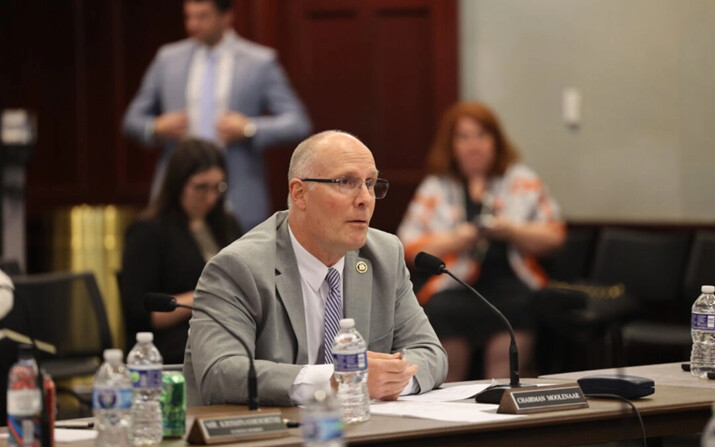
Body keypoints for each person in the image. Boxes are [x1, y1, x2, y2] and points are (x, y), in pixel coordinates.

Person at [183, 130, 447, 406]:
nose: (365, 199)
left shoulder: (384, 254)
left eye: (370, 183)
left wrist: (387, 381)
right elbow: (219, 373)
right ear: (299, 194)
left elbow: (430, 352)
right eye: (346, 182)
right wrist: (337, 381)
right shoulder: (238, 267)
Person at [397, 102, 566, 382]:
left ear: (496, 141)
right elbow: (407, 247)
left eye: (482, 136)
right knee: (441, 314)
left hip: (513, 289)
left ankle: (502, 407)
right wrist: (456, 239)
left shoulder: (523, 181)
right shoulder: (436, 187)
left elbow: (555, 237)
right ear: (451, 145)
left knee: (520, 314)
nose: (473, 145)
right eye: (463, 137)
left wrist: (512, 230)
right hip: (455, 288)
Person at [123, 0, 312, 231]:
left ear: (226, 16)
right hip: (178, 188)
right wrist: (155, 127)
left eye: (202, 16)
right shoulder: (167, 59)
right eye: (188, 17)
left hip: (237, 191)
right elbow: (132, 120)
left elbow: (297, 122)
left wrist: (249, 128)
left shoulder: (260, 62)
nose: (193, 25)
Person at [121, 138, 242, 364]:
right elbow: (140, 315)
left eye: (219, 187)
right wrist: (206, 296)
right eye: (201, 187)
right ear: (178, 184)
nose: (211, 197)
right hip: (171, 348)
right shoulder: (148, 231)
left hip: (226, 337)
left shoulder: (226, 224)